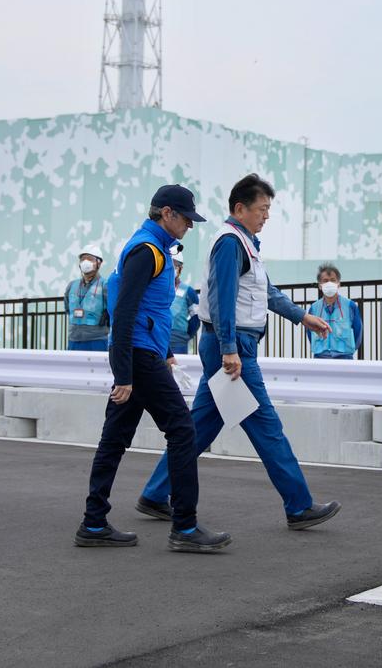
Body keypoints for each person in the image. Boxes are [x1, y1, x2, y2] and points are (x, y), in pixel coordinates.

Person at [138, 174, 342, 530]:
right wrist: (230, 349)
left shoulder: (247, 244)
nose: (266, 216)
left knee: (198, 427)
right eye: (262, 209)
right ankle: (299, 504)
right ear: (240, 208)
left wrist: (303, 317)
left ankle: (155, 493)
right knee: (267, 426)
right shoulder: (231, 243)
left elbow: (267, 293)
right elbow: (221, 299)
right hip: (231, 349)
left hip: (228, 346)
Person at [77, 185, 231, 552]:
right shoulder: (147, 252)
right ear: (167, 213)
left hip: (143, 355)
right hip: (138, 357)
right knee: (182, 430)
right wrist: (126, 374)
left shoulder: (154, 249)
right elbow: (125, 312)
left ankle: (93, 523)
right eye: (186, 219)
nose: (189, 227)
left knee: (114, 439)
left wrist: (161, 355)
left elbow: (146, 312)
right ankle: (186, 527)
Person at [307, 262, 362, 360]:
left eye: (333, 280)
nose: (329, 283)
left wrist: (349, 350)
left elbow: (358, 332)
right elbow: (309, 332)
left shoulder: (350, 306)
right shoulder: (314, 308)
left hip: (345, 357)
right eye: (325, 281)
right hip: (320, 357)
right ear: (320, 285)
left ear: (338, 284)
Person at [66, 246, 109, 351]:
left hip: (97, 340)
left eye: (89, 259)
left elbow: (113, 310)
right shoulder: (72, 285)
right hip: (74, 340)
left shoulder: (105, 285)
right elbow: (67, 308)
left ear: (99, 263)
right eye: (82, 259)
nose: (85, 262)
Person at [168, 255, 200, 355]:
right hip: (158, 340)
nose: (172, 268)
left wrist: (184, 336)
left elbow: (195, 319)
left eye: (176, 265)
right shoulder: (157, 289)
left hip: (178, 342)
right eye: (170, 265)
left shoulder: (189, 292)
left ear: (181, 268)